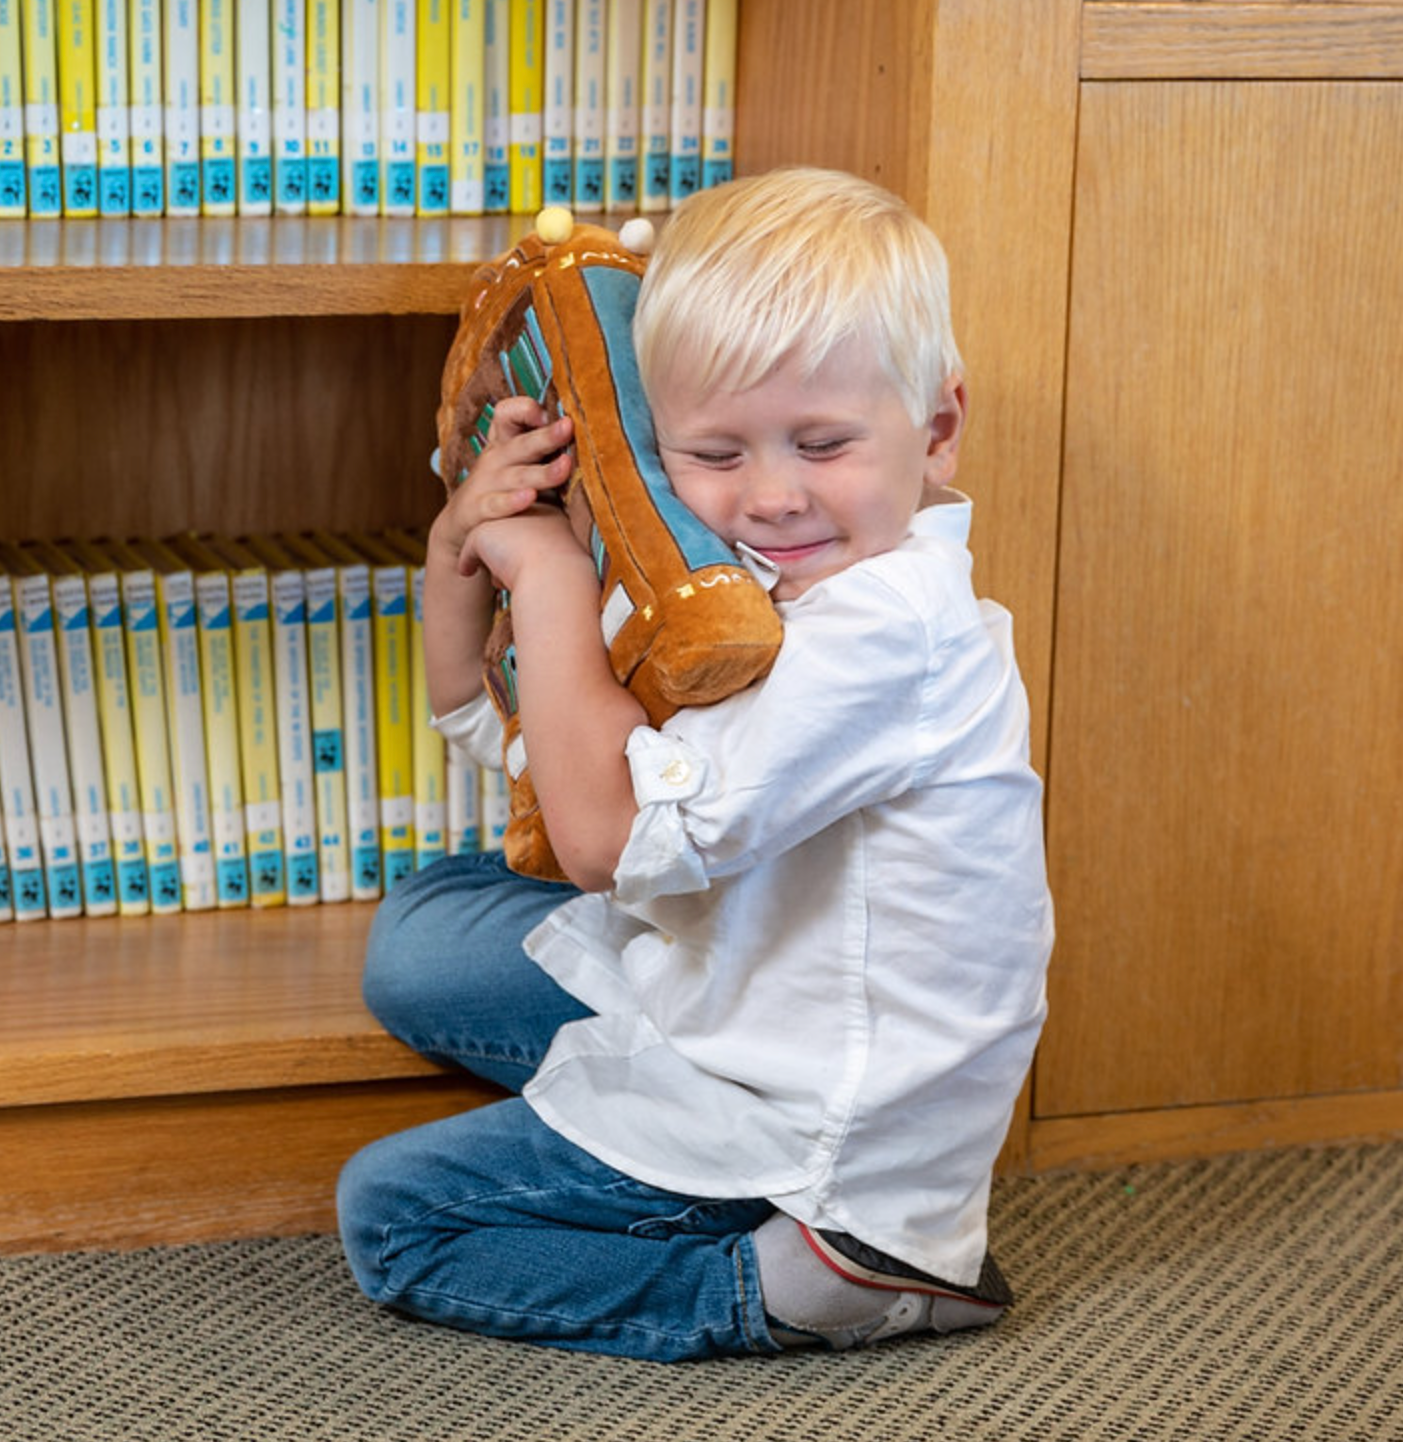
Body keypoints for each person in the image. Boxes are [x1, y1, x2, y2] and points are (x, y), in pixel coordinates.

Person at [336, 166, 1053, 1362]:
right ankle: (621, 1125)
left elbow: (604, 841)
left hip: (814, 1121)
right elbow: (500, 732)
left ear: (934, 427)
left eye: (820, 442)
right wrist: (461, 542)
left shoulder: (887, 630)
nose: (769, 495)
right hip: (727, 981)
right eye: (713, 453)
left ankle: (802, 1279)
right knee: (418, 934)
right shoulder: (723, 582)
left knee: (393, 1215)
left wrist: (555, 577)